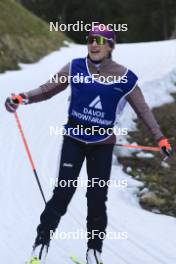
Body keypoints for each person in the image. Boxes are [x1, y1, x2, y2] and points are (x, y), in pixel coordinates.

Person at [5, 24, 172, 264]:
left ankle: (94, 252)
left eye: (100, 40)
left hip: (102, 144)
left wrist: (159, 138)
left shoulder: (125, 77)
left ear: (110, 46)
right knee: (62, 192)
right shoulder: (75, 67)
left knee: (96, 198)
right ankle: (41, 244)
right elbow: (47, 89)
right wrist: (23, 97)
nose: (94, 44)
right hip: (74, 139)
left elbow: (143, 110)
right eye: (91, 39)